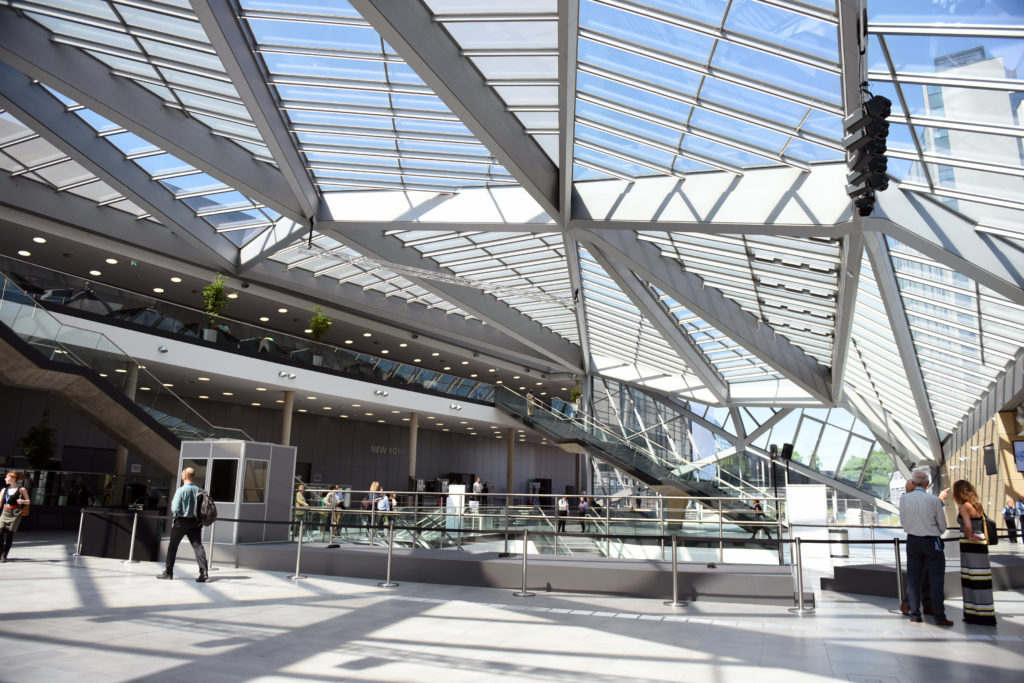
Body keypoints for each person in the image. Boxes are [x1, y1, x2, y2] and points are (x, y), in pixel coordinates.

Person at [898, 470, 951, 626]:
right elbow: (942, 525)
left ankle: (914, 614)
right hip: (931, 542)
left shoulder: (904, 499)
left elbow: (903, 520)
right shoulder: (934, 500)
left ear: (912, 483)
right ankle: (939, 617)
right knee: (936, 579)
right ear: (928, 483)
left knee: (914, 579)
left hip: (912, 541)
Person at [953, 479, 996, 625]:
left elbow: (968, 525)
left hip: (970, 544)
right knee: (982, 578)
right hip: (981, 542)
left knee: (970, 578)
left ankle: (972, 614)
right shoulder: (977, 505)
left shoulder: (964, 507)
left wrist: (968, 534)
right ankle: (986, 613)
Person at [157, 467, 209, 582]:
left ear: (185, 476)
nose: (181, 476)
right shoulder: (199, 490)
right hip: (195, 522)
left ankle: (169, 572)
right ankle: (204, 572)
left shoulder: (181, 490)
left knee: (173, 546)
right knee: (198, 546)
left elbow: (175, 508)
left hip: (182, 521)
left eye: (182, 474)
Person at [0, 472, 30, 562]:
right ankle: (1, 551)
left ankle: (4, 555)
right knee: (0, 533)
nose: (5, 479)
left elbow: (28, 501)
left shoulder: (22, 489)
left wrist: (23, 501)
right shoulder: (4, 490)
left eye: (7, 477)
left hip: (15, 514)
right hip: (5, 512)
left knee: (9, 535)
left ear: (13, 479)